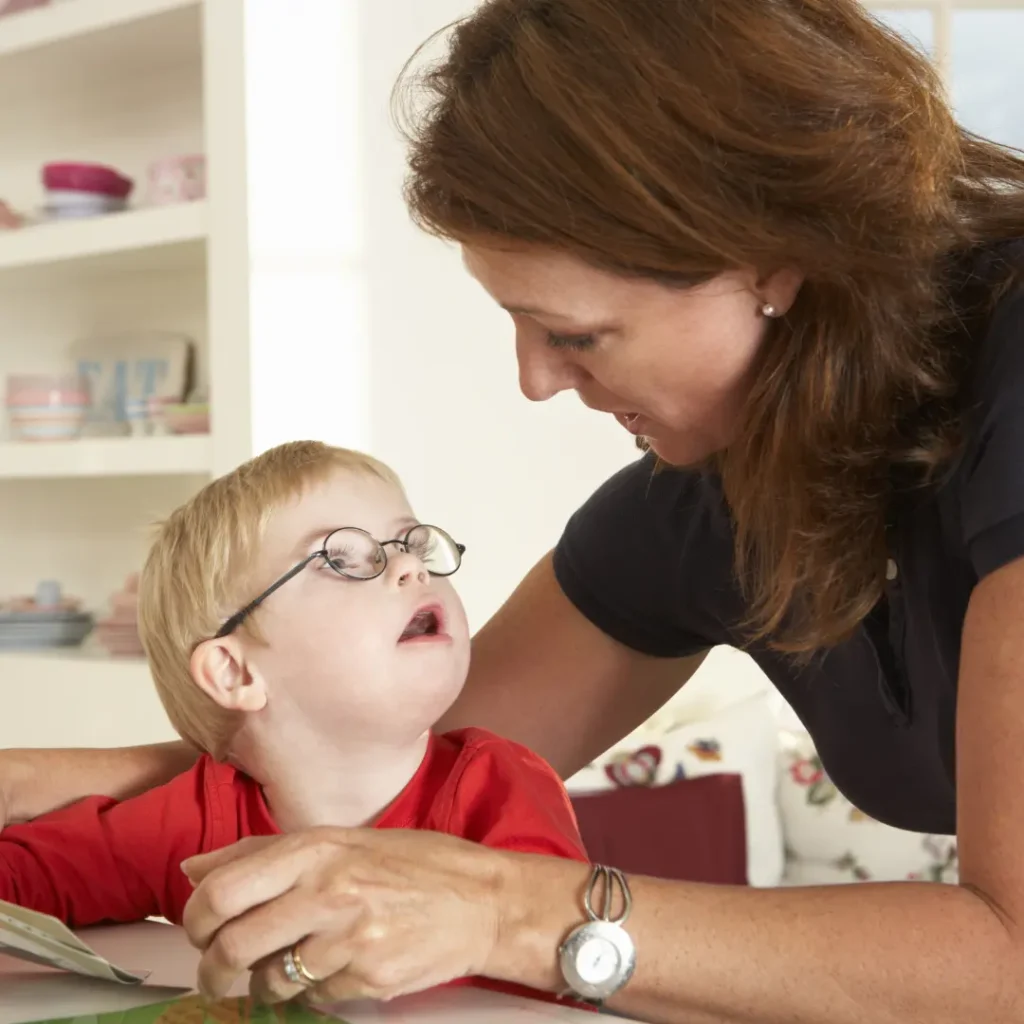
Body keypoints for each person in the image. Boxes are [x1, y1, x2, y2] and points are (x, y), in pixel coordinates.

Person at [3, 0, 1024, 1019]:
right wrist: (95, 777)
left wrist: (507, 908)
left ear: (766, 256)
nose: (535, 379)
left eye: (573, 332)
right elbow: (401, 746)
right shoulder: (711, 500)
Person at [0, 441, 588, 1007]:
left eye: (410, 541)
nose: (410, 565)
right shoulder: (196, 817)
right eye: (340, 557)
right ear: (234, 672)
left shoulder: (503, 787)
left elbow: (564, 974)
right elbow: (19, 884)